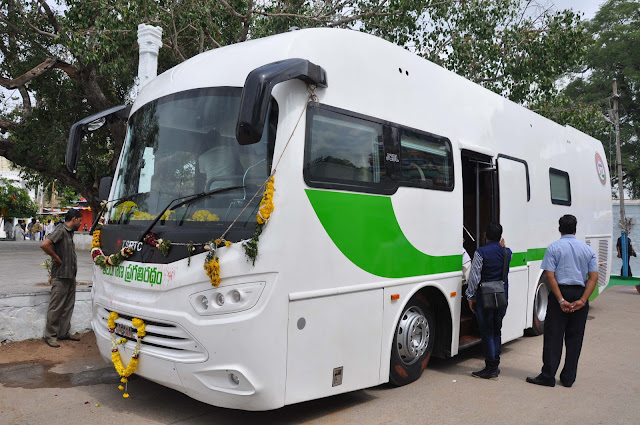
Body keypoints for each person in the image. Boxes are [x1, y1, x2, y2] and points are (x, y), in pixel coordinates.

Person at [527, 214, 598, 388]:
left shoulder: (553, 248)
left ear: (559, 229)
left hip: (560, 293)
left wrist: (560, 299)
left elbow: (550, 276)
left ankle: (548, 376)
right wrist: (582, 300)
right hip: (579, 293)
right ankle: (568, 378)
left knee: (553, 337)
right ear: (576, 229)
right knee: (575, 339)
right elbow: (593, 277)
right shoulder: (587, 250)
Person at [466, 222, 512, 380]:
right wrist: (503, 247)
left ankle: (490, 367)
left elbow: (474, 277)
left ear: (485, 235)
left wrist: (470, 296)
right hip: (502, 295)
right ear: (501, 236)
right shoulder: (507, 252)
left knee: (487, 332)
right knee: (497, 330)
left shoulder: (481, 252)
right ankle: (495, 365)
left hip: (484, 296)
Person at [40, 209, 83, 348]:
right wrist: (56, 257)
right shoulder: (61, 230)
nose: (81, 223)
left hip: (70, 275)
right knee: (56, 306)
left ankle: (63, 333)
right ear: (74, 219)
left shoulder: (69, 233)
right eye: (80, 220)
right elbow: (44, 244)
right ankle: (51, 336)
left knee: (68, 306)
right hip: (61, 275)